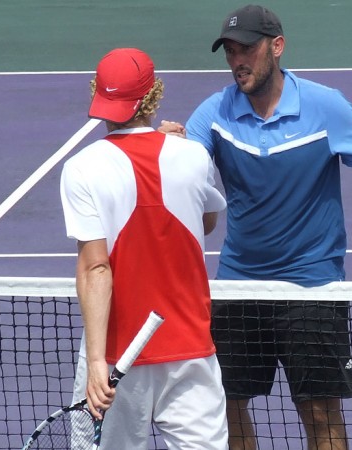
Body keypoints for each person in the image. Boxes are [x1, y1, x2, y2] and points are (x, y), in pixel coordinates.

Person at [159, 4, 352, 450]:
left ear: (276, 47)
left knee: (318, 411)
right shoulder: (213, 113)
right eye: (230, 51)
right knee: (224, 404)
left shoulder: (324, 106)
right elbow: (193, 199)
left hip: (312, 285)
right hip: (240, 283)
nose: (238, 60)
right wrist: (172, 152)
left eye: (247, 50)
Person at [60, 47, 229, 449]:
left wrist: (98, 362)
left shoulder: (82, 168)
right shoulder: (193, 156)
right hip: (190, 351)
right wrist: (182, 152)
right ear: (153, 95)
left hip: (119, 357)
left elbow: (95, 269)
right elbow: (205, 222)